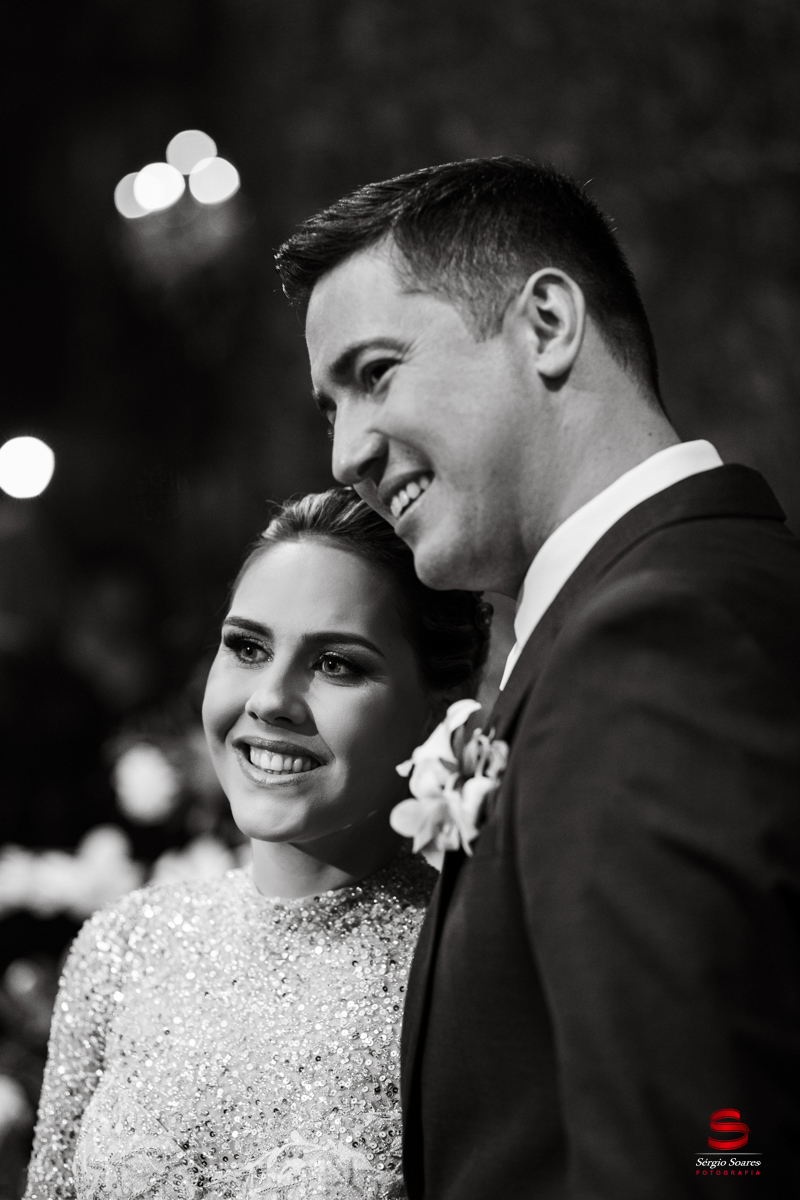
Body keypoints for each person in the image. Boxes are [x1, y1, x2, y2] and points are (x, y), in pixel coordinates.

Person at [275, 157, 800, 1196]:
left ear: (548, 324)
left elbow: (699, 1153)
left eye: (374, 373)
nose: (343, 454)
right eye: (327, 407)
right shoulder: (674, 597)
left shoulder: (656, 634)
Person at [24, 487, 490, 1200]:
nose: (270, 699)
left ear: (439, 708)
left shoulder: (470, 970)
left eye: (336, 664)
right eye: (247, 647)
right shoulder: (127, 946)